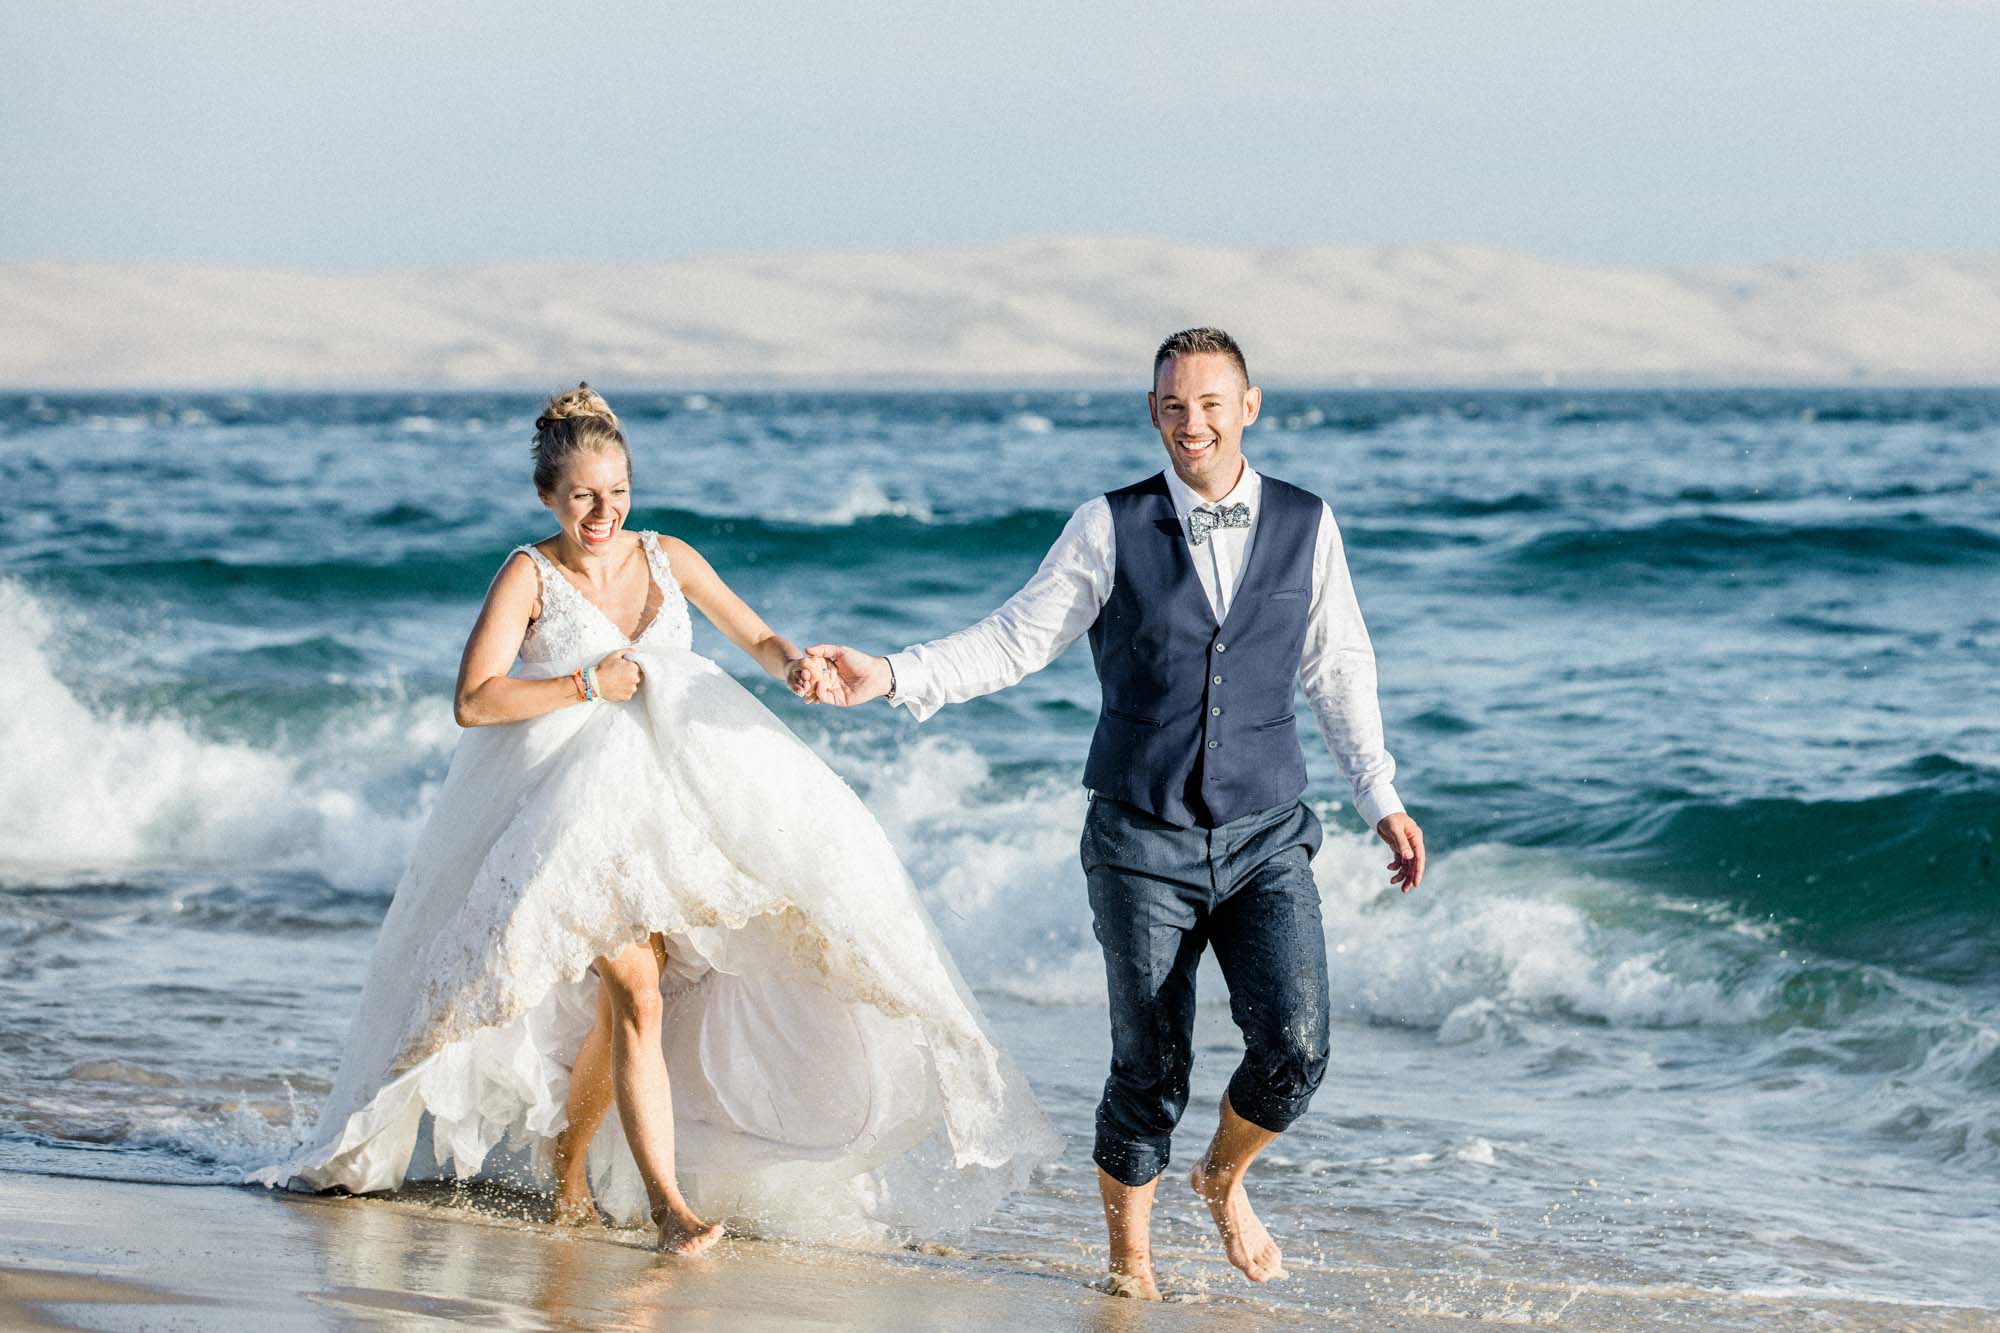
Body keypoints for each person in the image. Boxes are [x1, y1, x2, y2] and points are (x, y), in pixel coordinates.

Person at [253, 384, 1057, 1252]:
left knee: (639, 998)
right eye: (583, 496)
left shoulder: (669, 555)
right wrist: (585, 684)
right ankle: (672, 1209)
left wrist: (795, 667)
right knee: (635, 989)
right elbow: (474, 700)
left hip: (675, 811)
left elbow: (754, 635)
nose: (603, 512)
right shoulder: (529, 575)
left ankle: (569, 1165)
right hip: (572, 816)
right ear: (548, 497)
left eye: (618, 493)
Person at [810, 329, 1425, 1297]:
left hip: (1266, 828)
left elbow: (1336, 666)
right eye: (1174, 405)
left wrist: (1377, 794)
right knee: (1150, 1061)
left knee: (1295, 1049)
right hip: (1138, 832)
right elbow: (1014, 640)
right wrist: (890, 673)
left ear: (1249, 407)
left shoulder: (1308, 521)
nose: (1194, 423)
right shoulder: (1107, 525)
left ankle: (1221, 1175)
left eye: (1212, 404)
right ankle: (1128, 1264)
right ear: (1152, 412)